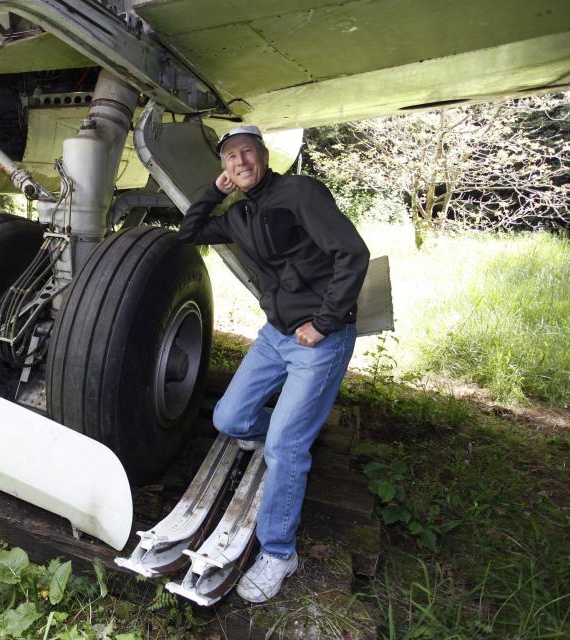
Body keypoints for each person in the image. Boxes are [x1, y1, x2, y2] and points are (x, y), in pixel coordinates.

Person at [178, 125, 370, 602]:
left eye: (246, 153)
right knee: (229, 418)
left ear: (264, 156)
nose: (239, 162)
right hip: (275, 335)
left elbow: (353, 253)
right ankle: (292, 428)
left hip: (317, 340)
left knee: (284, 448)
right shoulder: (240, 214)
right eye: (229, 158)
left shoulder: (297, 191)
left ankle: (280, 553)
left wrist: (325, 323)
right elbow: (190, 233)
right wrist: (213, 192)